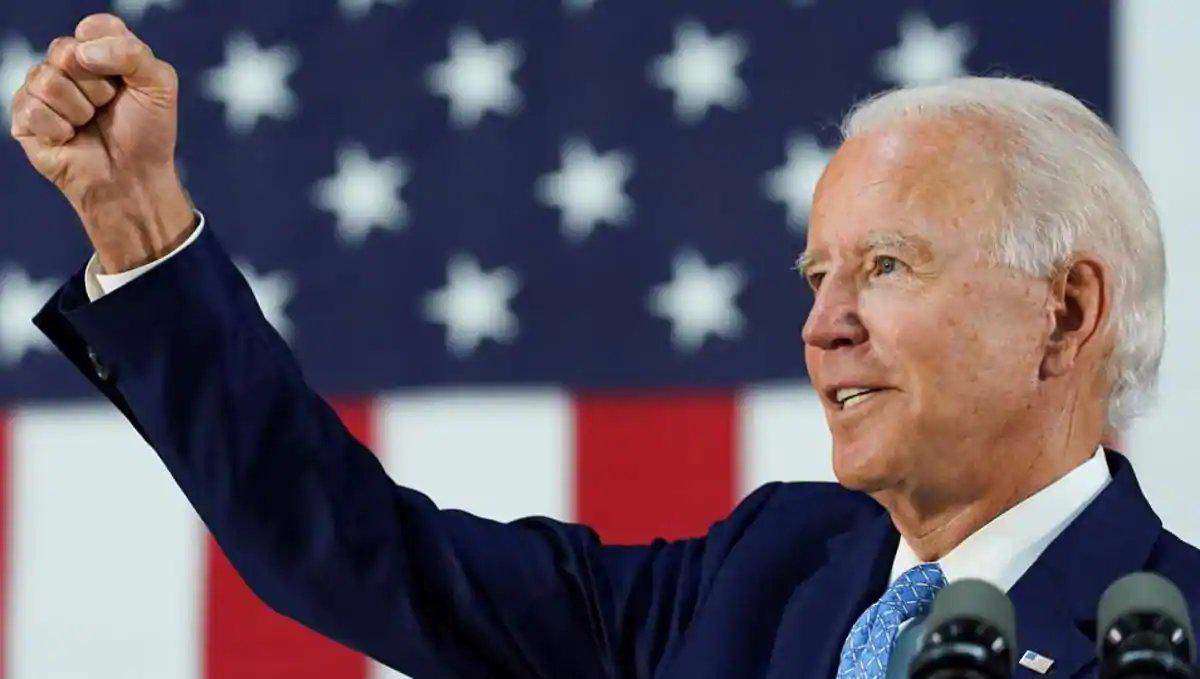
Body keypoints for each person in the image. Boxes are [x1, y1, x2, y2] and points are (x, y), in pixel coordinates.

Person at [9, 12, 1200, 678]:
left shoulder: (1169, 634)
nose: (823, 323)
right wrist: (139, 223)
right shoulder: (763, 574)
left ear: (1067, 311)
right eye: (817, 275)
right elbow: (356, 554)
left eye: (887, 266)